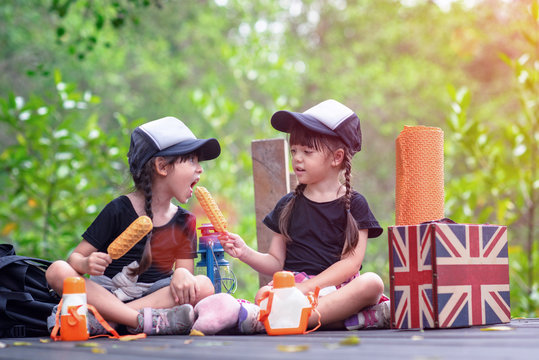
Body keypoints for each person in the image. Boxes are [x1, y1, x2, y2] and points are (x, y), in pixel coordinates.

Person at [220, 99, 390, 333]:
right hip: (293, 290)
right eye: (294, 151)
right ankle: (343, 320)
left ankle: (287, 320)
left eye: (307, 152)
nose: (297, 158)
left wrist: (308, 288)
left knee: (373, 283)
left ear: (337, 157)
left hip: (334, 289)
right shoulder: (287, 205)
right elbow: (275, 262)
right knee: (263, 294)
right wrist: (245, 253)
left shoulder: (354, 205)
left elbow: (351, 263)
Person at [45, 116, 220, 335]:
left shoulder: (185, 221)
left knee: (203, 285)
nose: (200, 169)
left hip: (153, 296)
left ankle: (111, 319)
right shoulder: (119, 209)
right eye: (192, 160)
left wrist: (182, 274)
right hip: (107, 291)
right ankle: (137, 320)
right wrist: (87, 263)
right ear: (162, 166)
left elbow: (184, 276)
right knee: (57, 270)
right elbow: (75, 259)